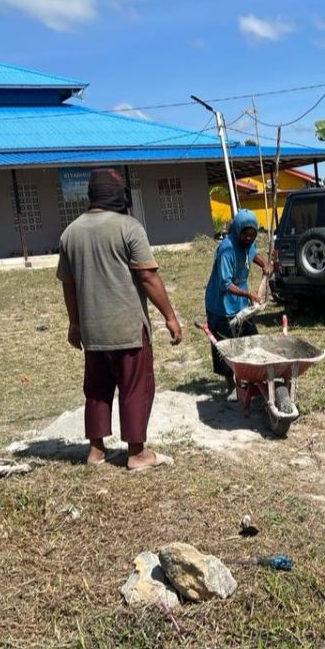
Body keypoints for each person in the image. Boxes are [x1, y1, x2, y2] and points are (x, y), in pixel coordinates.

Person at [57, 168, 183, 472]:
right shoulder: (129, 228)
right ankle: (137, 453)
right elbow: (148, 276)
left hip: (93, 330)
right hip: (128, 328)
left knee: (98, 390)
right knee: (135, 388)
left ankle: (96, 451)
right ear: (117, 194)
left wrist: (75, 323)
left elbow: (68, 284)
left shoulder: (70, 233)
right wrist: (170, 316)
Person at [204, 208, 271, 395]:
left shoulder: (249, 244)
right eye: (245, 234)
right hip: (221, 303)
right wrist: (249, 295)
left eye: (252, 234)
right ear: (238, 230)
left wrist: (264, 264)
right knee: (225, 345)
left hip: (240, 302)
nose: (249, 238)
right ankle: (231, 386)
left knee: (250, 338)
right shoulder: (227, 249)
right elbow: (225, 283)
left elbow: (253, 253)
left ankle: (251, 377)